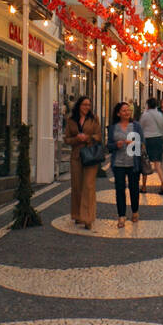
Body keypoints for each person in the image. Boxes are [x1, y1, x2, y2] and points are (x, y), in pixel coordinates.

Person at [65, 96, 101, 229]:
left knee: (89, 186)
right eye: (84, 105)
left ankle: (88, 218)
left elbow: (99, 136)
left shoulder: (94, 119)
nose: (87, 107)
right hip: (76, 156)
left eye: (89, 105)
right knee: (77, 186)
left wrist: (88, 138)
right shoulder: (71, 120)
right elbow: (67, 139)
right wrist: (76, 139)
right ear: (79, 106)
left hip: (90, 156)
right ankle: (77, 214)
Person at [110, 101, 143, 227]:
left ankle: (135, 211)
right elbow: (109, 145)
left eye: (128, 110)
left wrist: (134, 144)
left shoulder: (136, 126)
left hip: (133, 163)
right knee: (119, 190)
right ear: (118, 113)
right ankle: (121, 216)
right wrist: (116, 145)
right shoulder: (114, 127)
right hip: (118, 163)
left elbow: (142, 143)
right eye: (124, 110)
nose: (127, 112)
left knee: (134, 189)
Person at [139, 96, 163, 194]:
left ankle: (143, 187)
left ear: (148, 105)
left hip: (147, 140)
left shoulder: (145, 115)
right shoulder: (160, 115)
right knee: (158, 165)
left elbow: (140, 127)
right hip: (158, 139)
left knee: (145, 163)